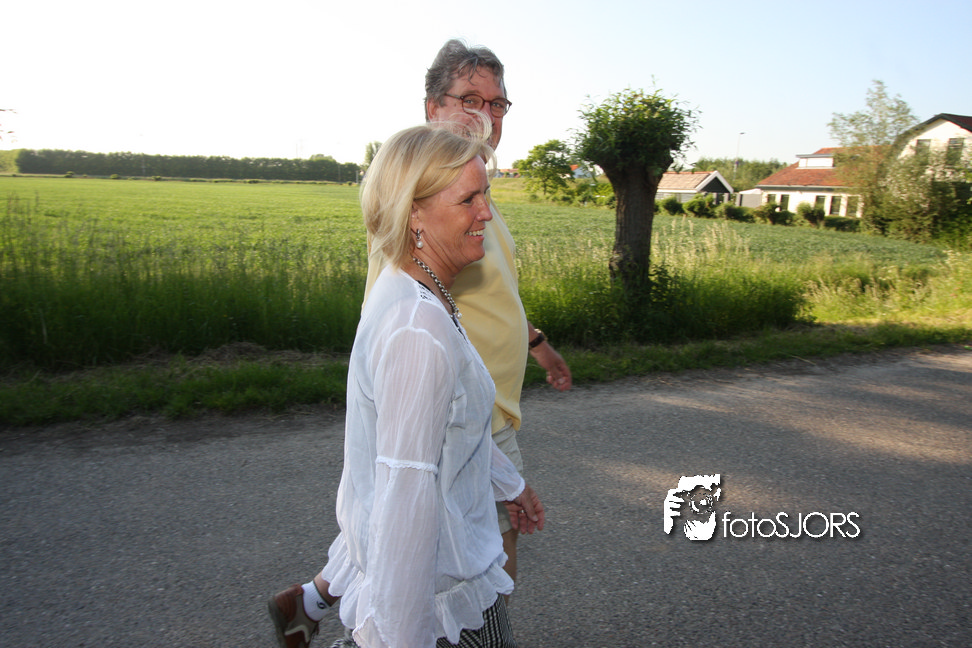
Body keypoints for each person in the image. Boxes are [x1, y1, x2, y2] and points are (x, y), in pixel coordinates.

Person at [268, 39, 569, 647]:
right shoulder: (417, 315)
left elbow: (497, 302)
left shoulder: (444, 246)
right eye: (469, 99)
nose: (486, 114)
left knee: (444, 552)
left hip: (473, 418)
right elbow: (406, 504)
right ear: (433, 107)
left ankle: (310, 603)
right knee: (469, 562)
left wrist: (535, 345)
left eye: (498, 103)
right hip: (453, 422)